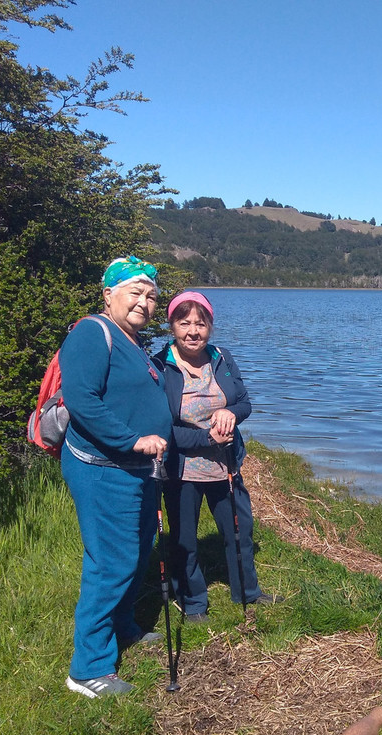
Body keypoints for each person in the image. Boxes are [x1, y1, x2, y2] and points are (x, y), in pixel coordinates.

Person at [59, 256, 172, 698]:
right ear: (108, 295)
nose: (144, 302)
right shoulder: (92, 332)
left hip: (136, 471)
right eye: (135, 292)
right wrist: (132, 441)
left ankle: (121, 627)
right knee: (111, 563)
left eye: (151, 296)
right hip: (104, 470)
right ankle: (88, 669)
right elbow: (82, 400)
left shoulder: (133, 340)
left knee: (136, 551)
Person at [153, 291, 270, 621]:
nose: (193, 331)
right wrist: (206, 436)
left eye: (200, 324)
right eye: (184, 323)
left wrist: (231, 414)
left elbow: (244, 402)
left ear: (210, 326)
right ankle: (193, 603)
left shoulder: (223, 358)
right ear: (172, 326)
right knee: (184, 540)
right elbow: (164, 429)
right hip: (183, 470)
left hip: (226, 464)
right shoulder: (161, 367)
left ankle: (248, 591)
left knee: (239, 530)